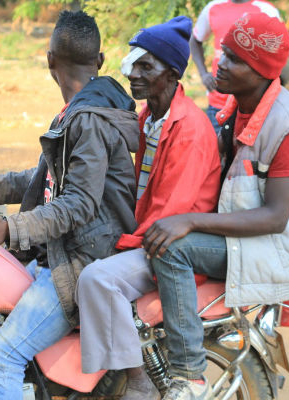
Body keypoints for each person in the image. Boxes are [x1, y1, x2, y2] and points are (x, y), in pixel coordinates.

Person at [145, 10, 289, 400]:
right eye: (222, 52)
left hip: (280, 247)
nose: (219, 63)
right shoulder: (235, 108)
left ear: (262, 71)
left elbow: (276, 217)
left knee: (171, 249)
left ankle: (188, 374)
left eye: (233, 59)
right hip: (250, 234)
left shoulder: (288, 128)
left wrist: (191, 222)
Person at [0, 10, 140, 400]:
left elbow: (77, 203)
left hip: (79, 262)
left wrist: (10, 228)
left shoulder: (89, 120)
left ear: (50, 61)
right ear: (98, 62)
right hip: (69, 250)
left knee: (2, 358)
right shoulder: (80, 110)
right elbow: (47, 177)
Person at [75, 16, 221, 400]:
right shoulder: (151, 118)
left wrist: (119, 242)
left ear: (172, 74)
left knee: (96, 278)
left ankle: (137, 381)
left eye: (146, 67)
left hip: (166, 245)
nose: (134, 75)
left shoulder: (188, 128)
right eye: (133, 65)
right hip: (148, 234)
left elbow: (171, 214)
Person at [189, 0, 281, 134]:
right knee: (217, 153)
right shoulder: (214, 7)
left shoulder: (265, 10)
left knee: (248, 153)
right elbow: (195, 40)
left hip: (252, 105)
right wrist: (203, 74)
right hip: (218, 103)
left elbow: (278, 50)